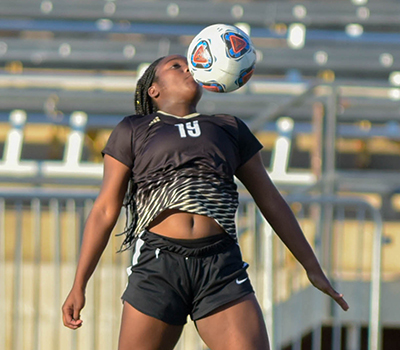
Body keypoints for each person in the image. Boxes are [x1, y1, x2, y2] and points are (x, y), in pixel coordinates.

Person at [62, 54, 349, 350]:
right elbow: (105, 209)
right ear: (153, 90)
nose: (188, 67)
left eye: (190, 64)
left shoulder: (229, 127)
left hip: (221, 266)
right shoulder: (133, 129)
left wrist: (312, 267)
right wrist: (79, 284)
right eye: (176, 66)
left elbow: (271, 201)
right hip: (158, 267)